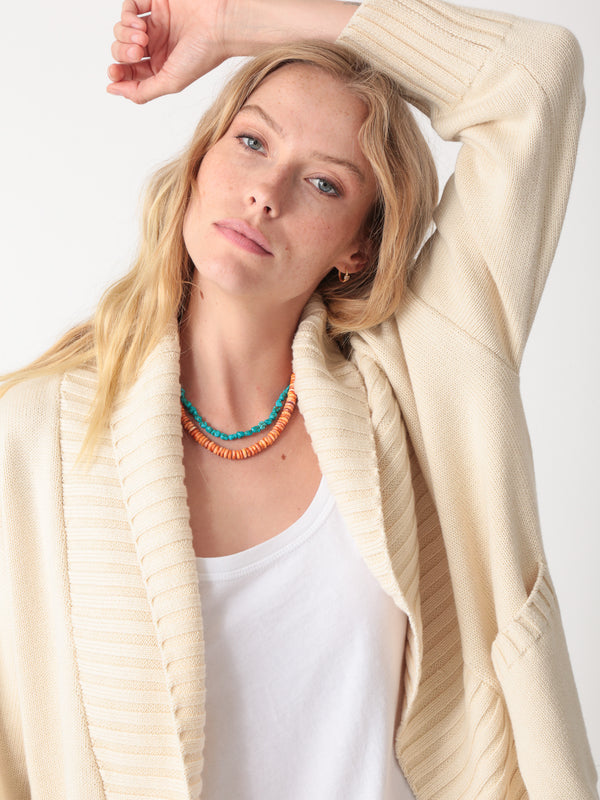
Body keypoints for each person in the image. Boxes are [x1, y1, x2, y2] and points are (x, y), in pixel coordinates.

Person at [0, 0, 596, 797]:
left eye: (323, 182)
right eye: (252, 141)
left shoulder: (415, 388)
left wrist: (229, 22)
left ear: (358, 246)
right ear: (202, 157)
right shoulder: (33, 440)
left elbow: (535, 77)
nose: (266, 193)